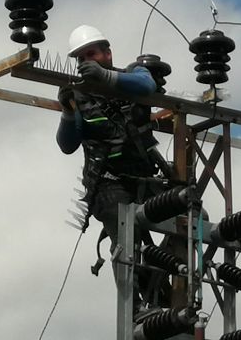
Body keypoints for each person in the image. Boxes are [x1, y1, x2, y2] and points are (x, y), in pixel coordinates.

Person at [56, 24, 167, 311]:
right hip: (107, 184)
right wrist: (68, 111)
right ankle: (134, 311)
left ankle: (168, 296)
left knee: (187, 222)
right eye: (80, 58)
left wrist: (106, 78)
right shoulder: (78, 94)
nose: (85, 62)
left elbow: (147, 86)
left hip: (144, 179)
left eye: (90, 54)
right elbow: (67, 144)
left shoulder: (134, 76)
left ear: (107, 53)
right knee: (127, 239)